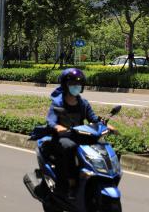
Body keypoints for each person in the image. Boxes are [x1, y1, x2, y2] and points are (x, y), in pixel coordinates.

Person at [46, 68, 112, 197]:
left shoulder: (83, 103)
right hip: (62, 137)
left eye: (79, 84)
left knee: (101, 145)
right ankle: (71, 183)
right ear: (65, 85)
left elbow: (93, 119)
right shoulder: (58, 103)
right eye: (72, 83)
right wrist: (58, 127)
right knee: (70, 147)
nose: (76, 86)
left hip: (79, 134)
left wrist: (106, 126)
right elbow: (51, 121)